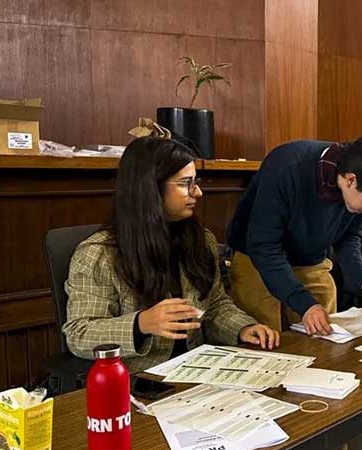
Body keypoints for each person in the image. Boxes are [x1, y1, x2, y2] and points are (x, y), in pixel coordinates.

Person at [63, 137, 280, 373]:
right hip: (140, 380)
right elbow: (79, 334)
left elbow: (215, 306)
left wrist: (243, 328)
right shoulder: (98, 253)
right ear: (151, 189)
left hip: (199, 369)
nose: (198, 192)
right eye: (185, 183)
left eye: (196, 181)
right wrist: (141, 323)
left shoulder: (200, 239)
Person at [226, 137, 362, 336]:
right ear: (351, 180)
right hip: (257, 261)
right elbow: (264, 246)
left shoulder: (359, 188)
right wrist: (305, 304)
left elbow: (349, 239)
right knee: (265, 337)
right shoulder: (286, 167)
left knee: (324, 335)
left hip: (310, 261)